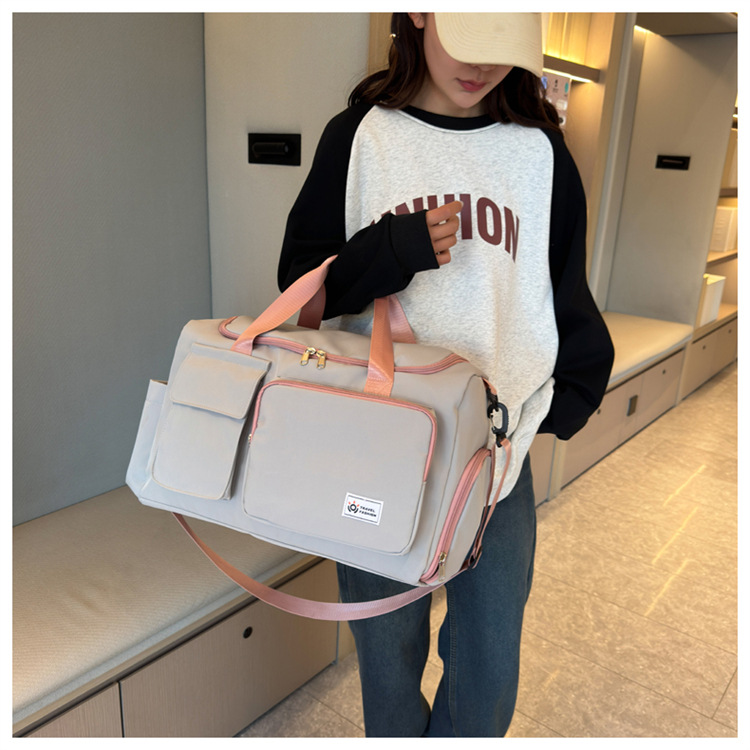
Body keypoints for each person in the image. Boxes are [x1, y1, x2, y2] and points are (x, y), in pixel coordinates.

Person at [277, 12, 614, 737]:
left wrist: (573, 390)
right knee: (388, 664)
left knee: (487, 675)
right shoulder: (360, 136)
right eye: (468, 39)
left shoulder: (541, 151)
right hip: (377, 448)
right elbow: (301, 292)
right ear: (419, 14)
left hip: (495, 456)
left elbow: (561, 286)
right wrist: (391, 249)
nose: (482, 66)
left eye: (501, 48)